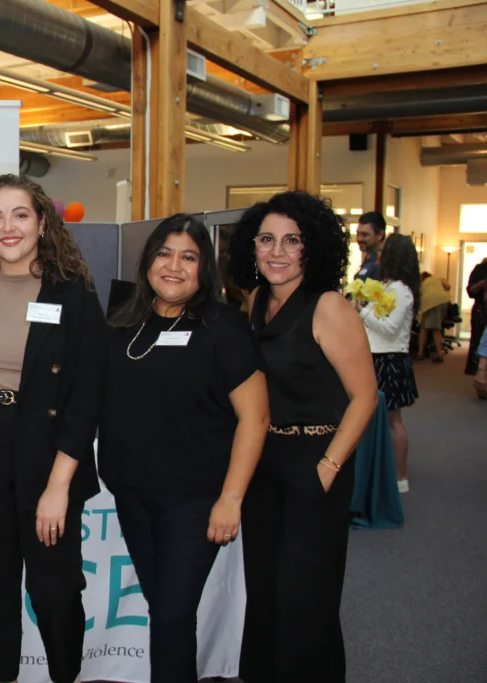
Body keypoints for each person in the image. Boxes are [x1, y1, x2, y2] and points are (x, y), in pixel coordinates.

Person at [0, 174, 106, 683]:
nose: (8, 227)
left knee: (54, 590)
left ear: (42, 222)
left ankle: (63, 676)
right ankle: (2, 676)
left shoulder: (73, 293)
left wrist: (59, 487)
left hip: (48, 451)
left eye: (20, 215)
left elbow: (87, 395)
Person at [98, 214, 269, 683]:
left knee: (172, 615)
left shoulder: (222, 327)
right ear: (148, 259)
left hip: (195, 502)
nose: (174, 266)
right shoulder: (122, 321)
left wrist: (230, 499)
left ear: (204, 268)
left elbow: (256, 417)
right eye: (164, 253)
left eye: (188, 257)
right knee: (165, 612)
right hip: (132, 497)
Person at [228, 190, 379, 683]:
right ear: (252, 248)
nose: (276, 251)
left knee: (305, 599)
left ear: (310, 249)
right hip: (264, 463)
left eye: (290, 241)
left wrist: (328, 469)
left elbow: (365, 397)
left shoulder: (329, 307)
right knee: (266, 592)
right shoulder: (255, 303)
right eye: (266, 239)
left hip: (316, 462)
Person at [358, 234, 420, 492]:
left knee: (393, 419)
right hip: (377, 356)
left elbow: (389, 328)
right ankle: (383, 472)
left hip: (389, 359)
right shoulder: (388, 286)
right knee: (375, 418)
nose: (379, 255)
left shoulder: (401, 291)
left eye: (384, 251)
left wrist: (361, 311)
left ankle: (400, 477)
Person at [417, 271, 451, 362]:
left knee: (428, 328)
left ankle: (432, 353)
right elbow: (448, 287)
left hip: (429, 302)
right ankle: (435, 352)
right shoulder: (439, 278)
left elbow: (418, 295)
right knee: (431, 327)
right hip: (442, 301)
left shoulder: (421, 283)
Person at [465, 257, 487, 375]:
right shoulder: (480, 269)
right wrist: (480, 284)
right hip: (482, 309)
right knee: (479, 341)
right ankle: (479, 372)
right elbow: (470, 291)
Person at [354, 211, 387, 281]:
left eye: (364, 235)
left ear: (380, 235)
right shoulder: (368, 259)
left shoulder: (383, 263)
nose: (359, 239)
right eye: (358, 234)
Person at [473, 326, 487, 399]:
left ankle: (481, 388)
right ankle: (481, 389)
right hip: (484, 351)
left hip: (484, 350)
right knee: (482, 370)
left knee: (482, 370)